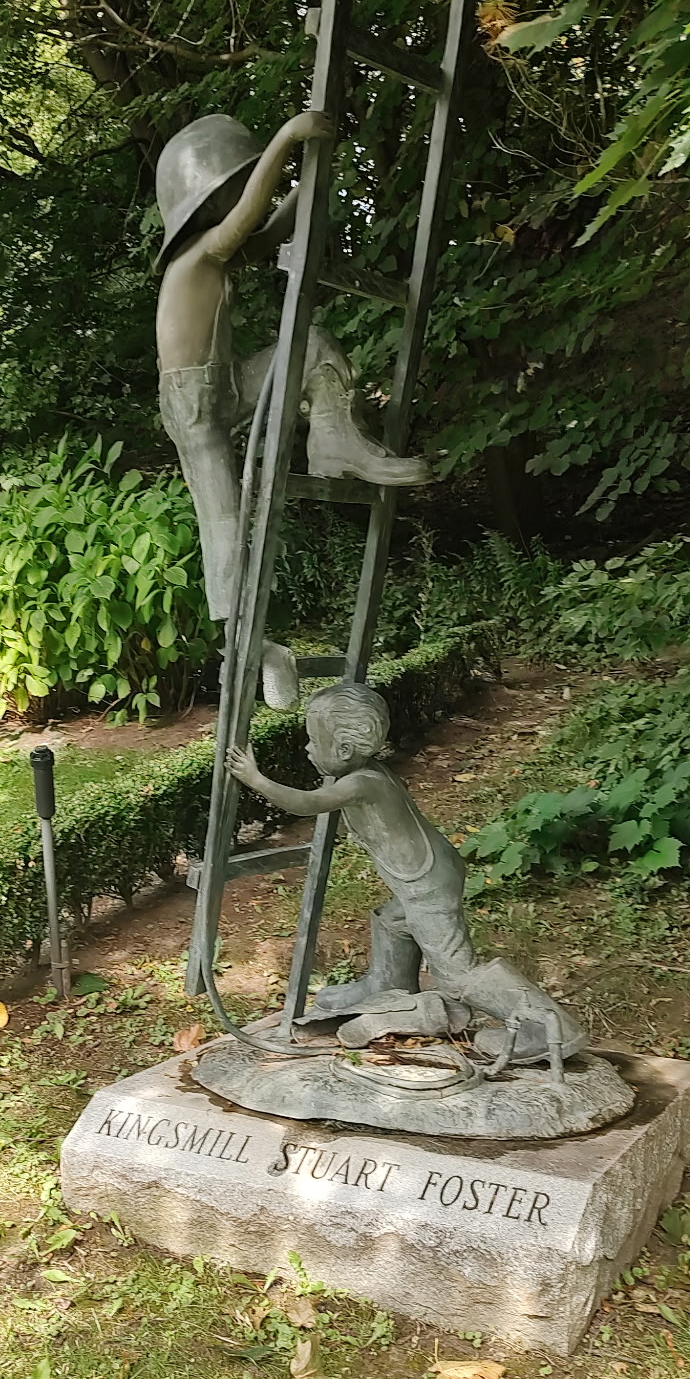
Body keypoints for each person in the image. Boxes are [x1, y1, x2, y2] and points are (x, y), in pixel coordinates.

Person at [155, 112, 429, 706]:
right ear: (203, 203)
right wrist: (286, 139)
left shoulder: (218, 253)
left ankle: (335, 440)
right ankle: (252, 649)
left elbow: (271, 228)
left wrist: (311, 175)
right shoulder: (196, 258)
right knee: (224, 529)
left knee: (313, 343)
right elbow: (252, 217)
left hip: (222, 384)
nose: (239, 195)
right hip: (194, 406)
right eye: (230, 186)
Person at [227, 681, 587, 1070]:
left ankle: (549, 1025)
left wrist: (257, 779)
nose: (307, 748)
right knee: (392, 920)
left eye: (314, 741)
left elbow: (309, 803)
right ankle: (389, 987)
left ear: (345, 751)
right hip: (425, 876)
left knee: (457, 973)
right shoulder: (367, 771)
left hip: (428, 885)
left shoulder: (360, 783)